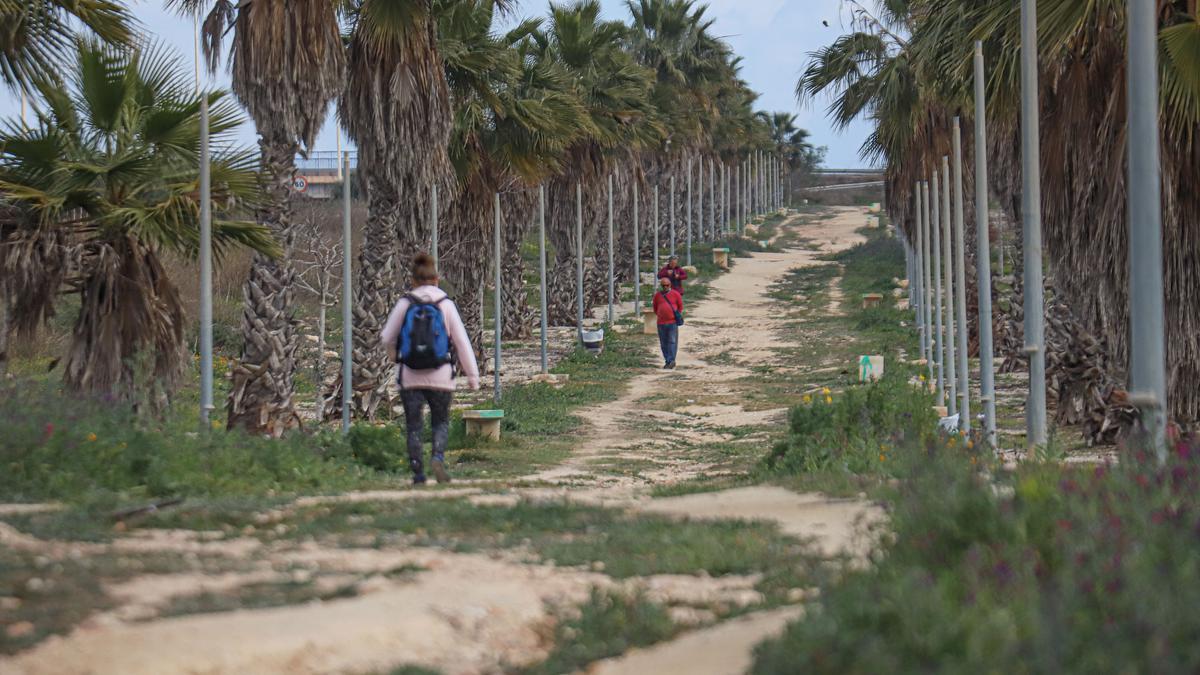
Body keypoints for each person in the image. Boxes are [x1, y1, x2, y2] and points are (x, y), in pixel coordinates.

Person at [381, 253, 480, 485]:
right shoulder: (445, 304)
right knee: (440, 422)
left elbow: (387, 336)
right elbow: (462, 342)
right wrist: (473, 377)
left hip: (410, 376)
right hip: (441, 376)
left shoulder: (406, 303)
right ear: (437, 279)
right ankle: (437, 457)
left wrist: (395, 356)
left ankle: (417, 473)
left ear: (413, 280)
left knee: (413, 426)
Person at [652, 276, 684, 369]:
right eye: (663, 285)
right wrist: (660, 314)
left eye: (667, 285)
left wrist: (673, 315)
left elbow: (680, 306)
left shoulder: (675, 294)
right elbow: (655, 307)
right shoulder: (657, 295)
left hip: (672, 322)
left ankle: (671, 360)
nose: (665, 287)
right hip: (661, 323)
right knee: (663, 343)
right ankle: (668, 360)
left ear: (670, 285)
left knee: (672, 341)